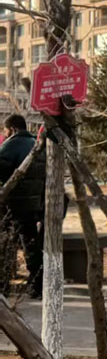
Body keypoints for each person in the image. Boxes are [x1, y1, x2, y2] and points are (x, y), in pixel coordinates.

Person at [0, 115, 46, 299]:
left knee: (6, 243)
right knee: (31, 244)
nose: (5, 134)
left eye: (5, 130)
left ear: (12, 129)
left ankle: (4, 285)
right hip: (34, 204)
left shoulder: (11, 145)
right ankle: (37, 285)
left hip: (13, 204)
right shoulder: (37, 144)